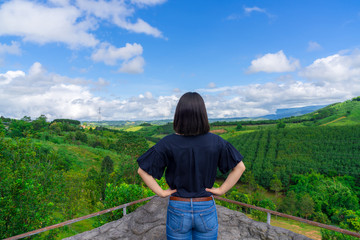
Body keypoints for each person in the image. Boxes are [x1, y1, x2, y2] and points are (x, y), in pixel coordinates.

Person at [137, 92, 246, 240]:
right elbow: (240, 167)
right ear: (203, 114)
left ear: (179, 115)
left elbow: (142, 170)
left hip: (178, 207)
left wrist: (161, 193)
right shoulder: (216, 141)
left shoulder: (168, 142)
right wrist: (221, 190)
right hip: (206, 206)